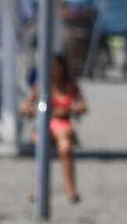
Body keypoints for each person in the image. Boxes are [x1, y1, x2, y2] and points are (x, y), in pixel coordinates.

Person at [25, 54, 88, 204]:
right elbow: (26, 106)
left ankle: (70, 189)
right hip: (44, 124)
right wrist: (34, 111)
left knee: (65, 148)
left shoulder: (70, 86)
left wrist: (69, 109)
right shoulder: (41, 86)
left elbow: (82, 105)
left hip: (63, 123)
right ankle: (37, 188)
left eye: (56, 68)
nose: (54, 71)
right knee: (41, 145)